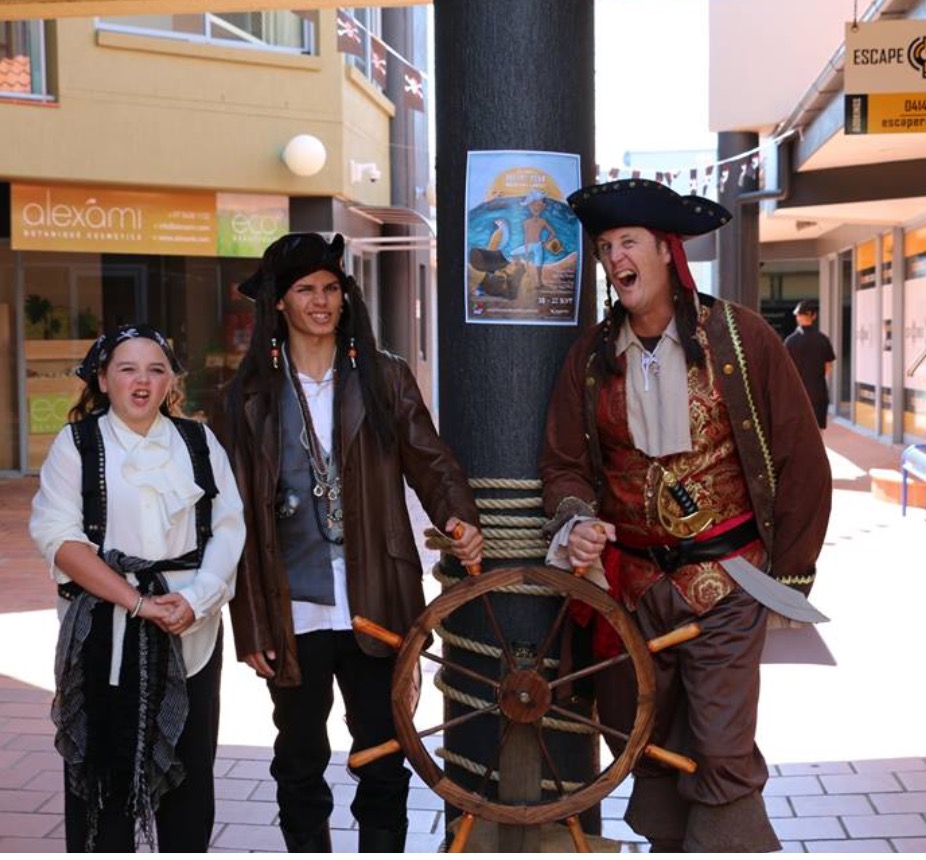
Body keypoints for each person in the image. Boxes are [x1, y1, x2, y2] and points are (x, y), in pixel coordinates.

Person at [540, 179, 832, 852]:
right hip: (634, 591)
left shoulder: (740, 336)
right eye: (606, 247)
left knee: (723, 750)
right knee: (650, 746)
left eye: (629, 243)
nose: (616, 259)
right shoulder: (590, 358)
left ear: (666, 251)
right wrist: (576, 518)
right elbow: (563, 464)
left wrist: (790, 576)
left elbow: (800, 459)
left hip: (728, 583)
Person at [219, 232, 483, 853]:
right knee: (300, 756)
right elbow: (231, 521)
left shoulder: (383, 376)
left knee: (384, 754)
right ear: (279, 303)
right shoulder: (247, 398)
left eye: (332, 288)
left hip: (378, 596)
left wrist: (459, 516)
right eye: (306, 289)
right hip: (293, 607)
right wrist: (251, 625)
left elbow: (431, 458)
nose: (321, 301)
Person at [29, 324, 245, 852]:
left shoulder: (199, 441)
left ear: (172, 380)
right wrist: (139, 603)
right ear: (103, 380)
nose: (142, 382)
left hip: (190, 632)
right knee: (103, 781)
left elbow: (229, 526)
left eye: (156, 369)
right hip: (106, 636)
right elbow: (60, 539)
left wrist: (196, 600)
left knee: (190, 779)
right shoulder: (77, 444)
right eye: (127, 369)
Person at [784, 299, 836, 429]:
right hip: (818, 393)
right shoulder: (823, 340)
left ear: (797, 317)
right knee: (817, 431)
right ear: (814, 316)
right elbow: (828, 367)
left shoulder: (790, 341)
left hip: (796, 394)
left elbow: (784, 370)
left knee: (798, 431)